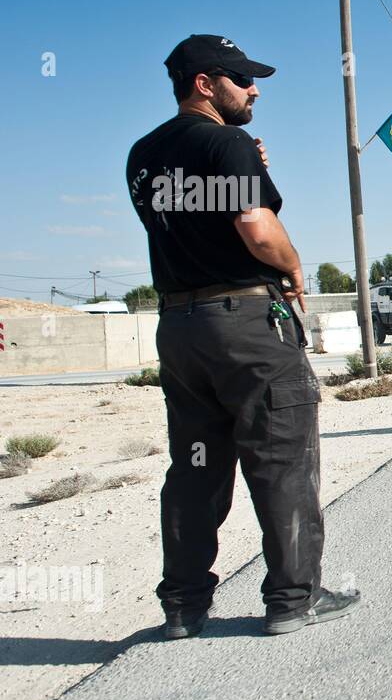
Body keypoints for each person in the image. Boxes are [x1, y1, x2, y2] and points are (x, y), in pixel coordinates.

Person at [125, 34, 359, 639]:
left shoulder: (142, 155)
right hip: (246, 324)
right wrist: (293, 262)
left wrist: (244, 168)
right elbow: (255, 231)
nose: (254, 88)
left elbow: (190, 221)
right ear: (205, 83)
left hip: (178, 328)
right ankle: (292, 598)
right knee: (280, 458)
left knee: (195, 467)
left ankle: (182, 607)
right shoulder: (227, 142)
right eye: (241, 78)